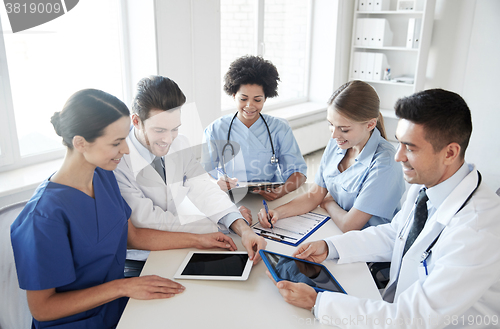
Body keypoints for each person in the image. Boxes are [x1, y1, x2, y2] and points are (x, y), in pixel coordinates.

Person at [267, 89, 500, 328]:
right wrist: (330, 247)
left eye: (410, 148)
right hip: (395, 307)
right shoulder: (426, 187)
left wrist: (319, 303)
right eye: (399, 143)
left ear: (449, 153)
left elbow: (412, 319)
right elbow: (395, 234)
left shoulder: (477, 231)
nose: (398, 156)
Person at [10, 89, 237, 329]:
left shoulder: (103, 177)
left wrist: (198, 240)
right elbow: (43, 309)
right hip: (77, 321)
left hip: (117, 305)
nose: (127, 150)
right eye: (117, 143)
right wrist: (123, 287)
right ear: (80, 143)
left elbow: (134, 236)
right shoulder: (43, 216)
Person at [114, 76, 265, 264]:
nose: (169, 140)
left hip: (180, 244)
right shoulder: (118, 162)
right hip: (141, 258)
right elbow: (146, 220)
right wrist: (218, 226)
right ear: (136, 121)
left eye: (174, 129)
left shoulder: (180, 143)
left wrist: (243, 229)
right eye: (160, 130)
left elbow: (203, 187)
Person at [258, 80, 405, 232]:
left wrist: (328, 202)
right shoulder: (339, 143)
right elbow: (315, 195)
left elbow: (350, 225)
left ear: (370, 125)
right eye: (331, 124)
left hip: (368, 241)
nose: (334, 134)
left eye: (344, 129)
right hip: (333, 226)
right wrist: (277, 212)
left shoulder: (385, 163)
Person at [202, 55, 307, 201]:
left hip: (270, 195)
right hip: (228, 197)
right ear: (233, 95)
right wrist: (215, 184)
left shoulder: (279, 129)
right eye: (243, 99)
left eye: (257, 100)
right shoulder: (215, 129)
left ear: (266, 98)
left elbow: (298, 173)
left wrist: (281, 191)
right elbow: (203, 174)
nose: (250, 106)